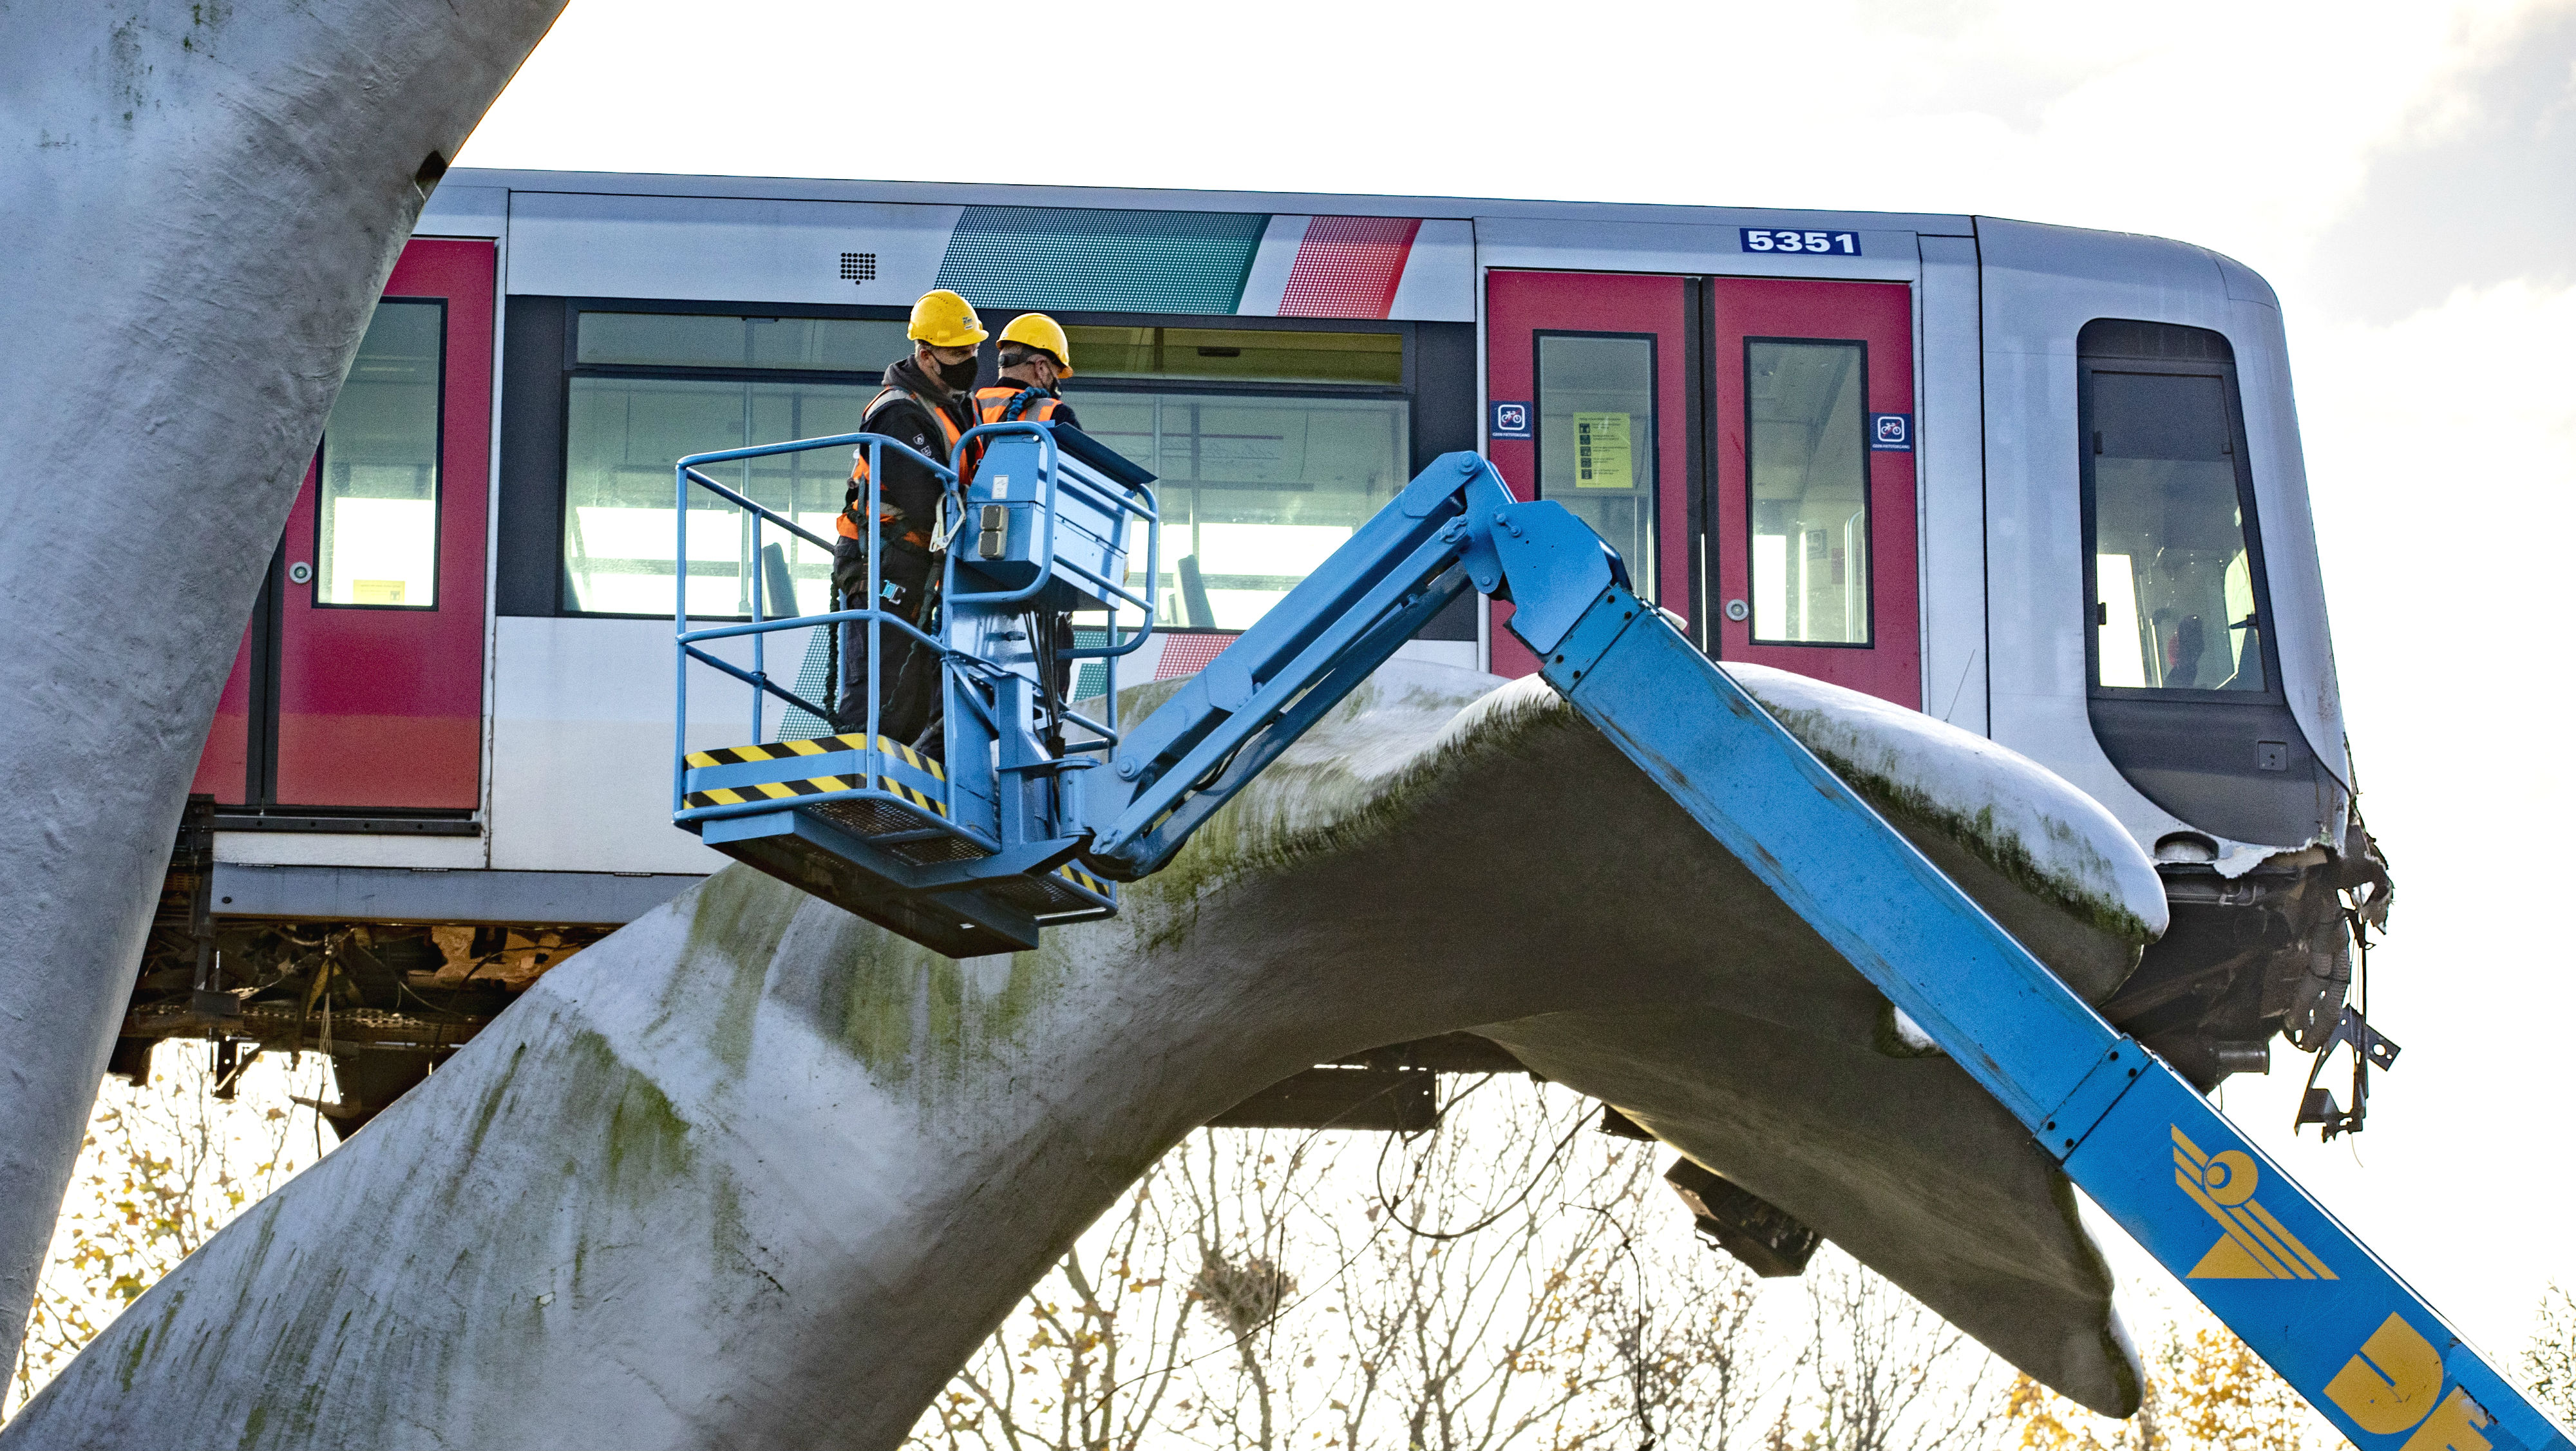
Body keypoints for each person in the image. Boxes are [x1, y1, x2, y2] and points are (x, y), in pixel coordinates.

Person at [835, 289, 985, 744]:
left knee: (914, 691)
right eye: (957, 352)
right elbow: (925, 499)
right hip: (883, 559)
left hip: (915, 562)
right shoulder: (898, 412)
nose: (968, 360)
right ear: (925, 354)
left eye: (973, 350)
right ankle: (860, 772)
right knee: (883, 685)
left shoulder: (954, 407)